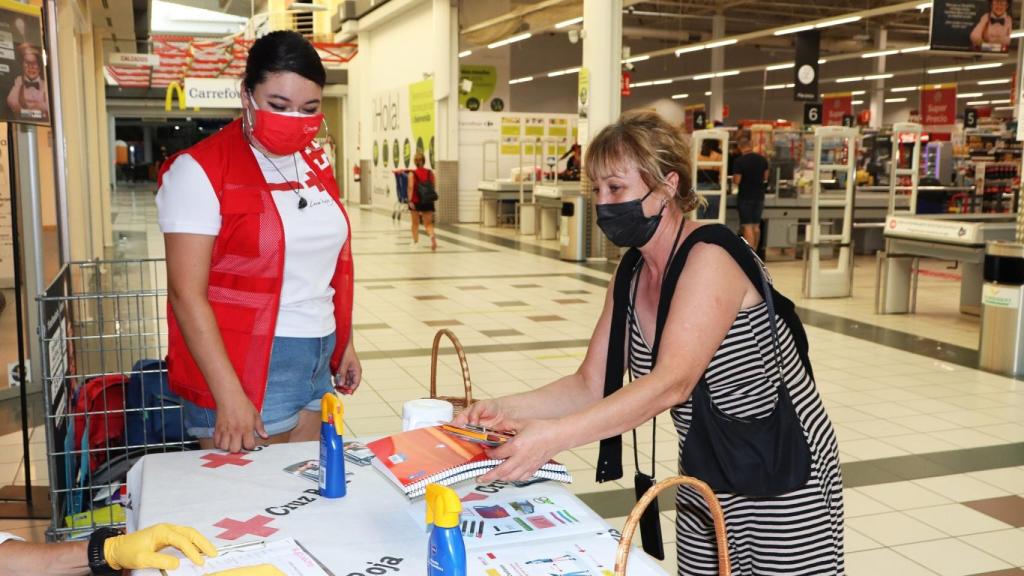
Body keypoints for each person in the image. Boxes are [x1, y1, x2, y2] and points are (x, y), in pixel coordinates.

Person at [454, 110, 843, 575]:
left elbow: (671, 385)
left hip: (784, 468)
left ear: (667, 186)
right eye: (596, 190)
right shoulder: (630, 273)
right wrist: (506, 410)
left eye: (616, 188)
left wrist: (552, 438)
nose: (603, 203)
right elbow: (590, 382)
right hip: (706, 464)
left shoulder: (710, 257)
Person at [156, 30, 361, 454]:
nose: (293, 119)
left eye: (309, 108)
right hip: (246, 364)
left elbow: (324, 264)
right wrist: (227, 395)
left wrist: (345, 341)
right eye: (278, 105)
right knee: (244, 508)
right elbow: (185, 293)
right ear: (246, 94)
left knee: (307, 492)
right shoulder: (199, 171)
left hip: (318, 357)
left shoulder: (314, 165)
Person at [731, 138, 769, 250]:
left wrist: (734, 179)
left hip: (745, 196)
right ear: (751, 146)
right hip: (759, 196)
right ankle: (756, 253)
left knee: (747, 226)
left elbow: (737, 180)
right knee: (756, 226)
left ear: (740, 147)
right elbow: (765, 177)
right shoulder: (763, 159)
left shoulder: (739, 161)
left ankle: (750, 255)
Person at [5, 44, 48, 121]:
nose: (30, 67)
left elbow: (47, 106)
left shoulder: (45, 84)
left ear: (40, 66)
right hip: (21, 119)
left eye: (34, 63)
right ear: (22, 65)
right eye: (27, 63)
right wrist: (24, 112)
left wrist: (36, 108)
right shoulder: (19, 80)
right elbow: (11, 101)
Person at [407, 152, 438, 250]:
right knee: (428, 223)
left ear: (415, 162)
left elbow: (411, 187)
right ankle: (432, 236)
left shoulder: (412, 173)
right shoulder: (430, 173)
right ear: (424, 161)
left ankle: (415, 242)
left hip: (416, 200)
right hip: (428, 200)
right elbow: (433, 185)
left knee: (415, 223)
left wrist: (410, 200)